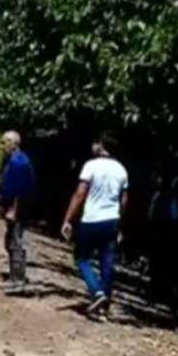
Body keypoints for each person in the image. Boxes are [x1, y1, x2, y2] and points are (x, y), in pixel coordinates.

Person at [61, 133, 128, 320]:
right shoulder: (121, 170)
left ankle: (96, 291)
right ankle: (103, 309)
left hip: (91, 219)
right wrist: (120, 225)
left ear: (100, 146)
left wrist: (68, 219)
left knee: (81, 258)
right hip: (112, 220)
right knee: (107, 262)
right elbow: (124, 201)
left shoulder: (91, 166)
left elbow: (80, 193)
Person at [0, 130, 36, 293]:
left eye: (3, 142)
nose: (1, 146)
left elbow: (20, 190)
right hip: (14, 207)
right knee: (10, 242)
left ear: (13, 144)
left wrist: (14, 209)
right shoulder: (14, 160)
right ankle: (14, 277)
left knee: (16, 243)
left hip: (19, 209)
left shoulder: (18, 162)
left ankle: (18, 281)